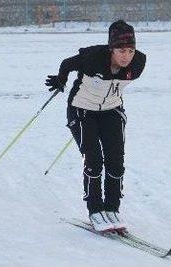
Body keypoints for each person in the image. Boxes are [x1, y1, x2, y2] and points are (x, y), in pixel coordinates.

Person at [45, 20, 146, 232]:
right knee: (94, 160)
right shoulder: (93, 58)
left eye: (130, 50)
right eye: (120, 50)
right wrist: (61, 79)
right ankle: (95, 209)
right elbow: (67, 63)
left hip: (112, 111)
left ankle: (112, 209)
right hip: (82, 110)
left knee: (116, 162)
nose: (126, 55)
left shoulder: (139, 62)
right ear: (111, 48)